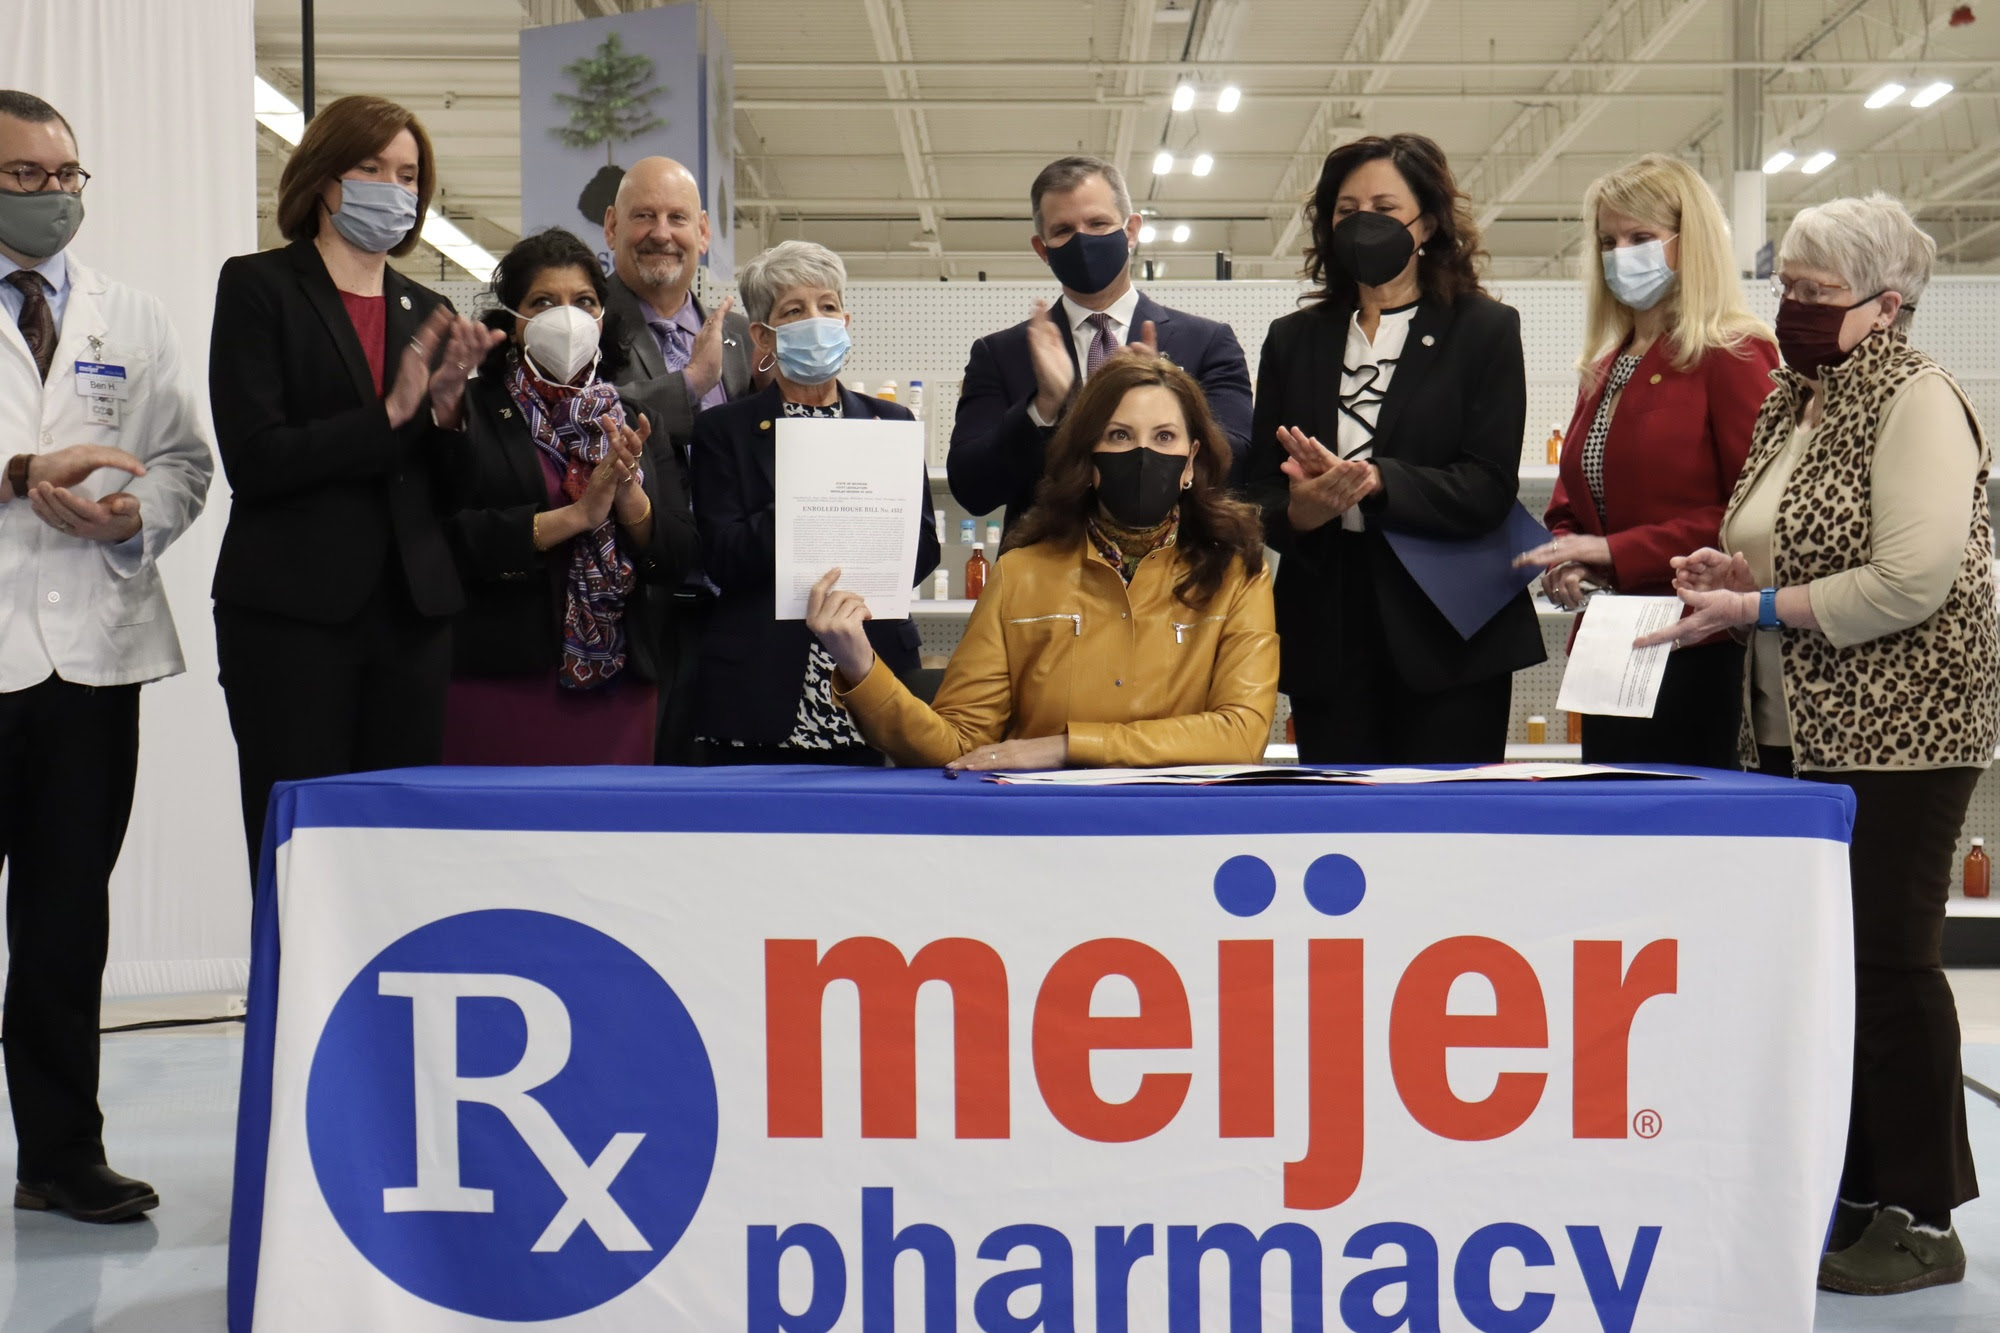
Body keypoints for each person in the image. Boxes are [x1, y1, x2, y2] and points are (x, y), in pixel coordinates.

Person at [1639, 192, 1995, 1297]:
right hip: (1803, 724)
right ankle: (1847, 1186)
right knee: (1827, 972)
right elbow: (1781, 544)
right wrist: (1730, 578)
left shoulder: (1916, 397)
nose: (1788, 307)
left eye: (1814, 292)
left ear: (1885, 306)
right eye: (1782, 284)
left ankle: (1921, 1217)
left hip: (1904, 724)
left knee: (1889, 964)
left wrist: (1755, 612)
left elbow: (1911, 577)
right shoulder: (1798, 398)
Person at [0, 90, 212, 1222]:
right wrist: (17, 477)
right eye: (24, 176)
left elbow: (185, 462)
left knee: (67, 917)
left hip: (92, 660)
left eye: (65, 176)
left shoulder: (129, 313)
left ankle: (60, 1156)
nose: (50, 197)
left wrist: (141, 519)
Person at [208, 95, 501, 862]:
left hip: (412, 618)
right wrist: (390, 412)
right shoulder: (259, 286)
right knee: (301, 846)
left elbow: (457, 489)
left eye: (408, 174)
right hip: (290, 617)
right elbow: (258, 457)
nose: (393, 189)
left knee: (394, 850)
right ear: (323, 177)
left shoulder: (427, 307)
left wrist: (443, 415)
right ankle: (294, 987)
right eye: (371, 168)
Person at [810, 353, 1276, 769]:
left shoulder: (1237, 574)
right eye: (1119, 435)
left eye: (1164, 436)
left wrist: (1065, 746)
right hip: (1045, 836)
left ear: (1191, 460)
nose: (1142, 453)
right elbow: (957, 743)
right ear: (1089, 459)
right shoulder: (1020, 573)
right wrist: (861, 667)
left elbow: (1241, 734)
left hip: (1182, 833)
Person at [1246, 133, 1541, 764]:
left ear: (1427, 222)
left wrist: (1374, 481)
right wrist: (1303, 509)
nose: (1363, 224)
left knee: (1447, 831)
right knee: (1341, 821)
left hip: (1451, 627)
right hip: (1328, 625)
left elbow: (1487, 486)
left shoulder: (1485, 330)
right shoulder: (1292, 340)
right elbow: (1257, 492)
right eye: (1346, 211)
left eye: (1384, 208)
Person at [1514, 154, 1777, 767]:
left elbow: (1753, 512)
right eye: (1608, 241)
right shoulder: (1605, 366)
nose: (1619, 255)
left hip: (1700, 641)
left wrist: (1611, 552)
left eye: (1640, 238)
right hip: (1614, 647)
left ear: (1692, 245)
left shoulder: (1736, 353)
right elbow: (1571, 501)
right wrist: (1567, 553)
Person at [440, 229, 697, 764]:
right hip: (502, 681)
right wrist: (575, 517)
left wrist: (631, 505)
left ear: (602, 319)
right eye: (544, 302)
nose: (568, 317)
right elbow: (449, 538)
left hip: (621, 685)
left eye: (584, 302)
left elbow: (678, 553)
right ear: (513, 322)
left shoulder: (629, 419)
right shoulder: (471, 410)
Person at [690, 240, 939, 763]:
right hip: (757, 686)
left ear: (846, 321)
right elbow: (724, 556)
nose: (817, 320)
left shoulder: (889, 424)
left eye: (828, 306)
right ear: (763, 335)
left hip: (871, 673)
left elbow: (922, 551)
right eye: (794, 310)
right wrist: (811, 506)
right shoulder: (724, 430)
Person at [948, 154, 1252, 530]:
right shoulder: (1000, 354)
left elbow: (1240, 466)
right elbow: (971, 489)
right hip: (1047, 574)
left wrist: (1166, 397)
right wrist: (1043, 407)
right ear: (1042, 249)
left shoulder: (1208, 342)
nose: (1082, 240)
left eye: (1098, 223)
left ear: (1131, 230)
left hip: (1179, 573)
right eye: (1063, 231)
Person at [601, 156, 753, 762]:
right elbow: (587, 417)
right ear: (612, 226)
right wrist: (690, 383)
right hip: (630, 616)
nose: (661, 231)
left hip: (733, 613)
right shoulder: (582, 322)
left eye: (677, 217)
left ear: (705, 231)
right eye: (644, 216)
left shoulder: (744, 337)